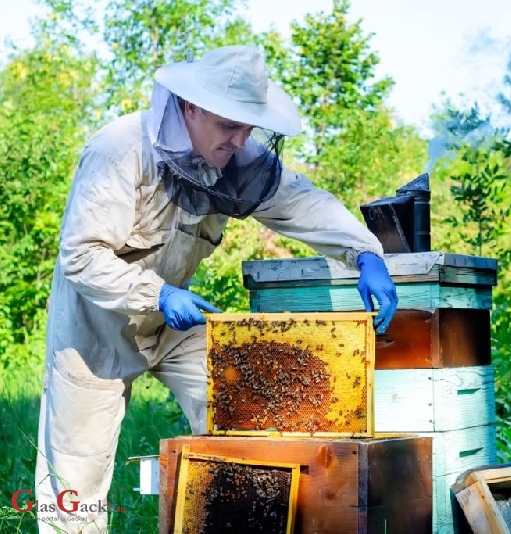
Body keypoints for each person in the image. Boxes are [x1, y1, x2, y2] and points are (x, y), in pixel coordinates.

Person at [34, 45, 398, 533]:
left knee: (246, 399)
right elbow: (81, 255)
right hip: (95, 326)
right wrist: (159, 295)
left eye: (249, 127)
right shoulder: (120, 150)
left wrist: (365, 252)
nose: (240, 139)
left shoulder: (234, 159)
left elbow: (301, 203)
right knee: (76, 479)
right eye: (230, 125)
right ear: (191, 106)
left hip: (168, 323)